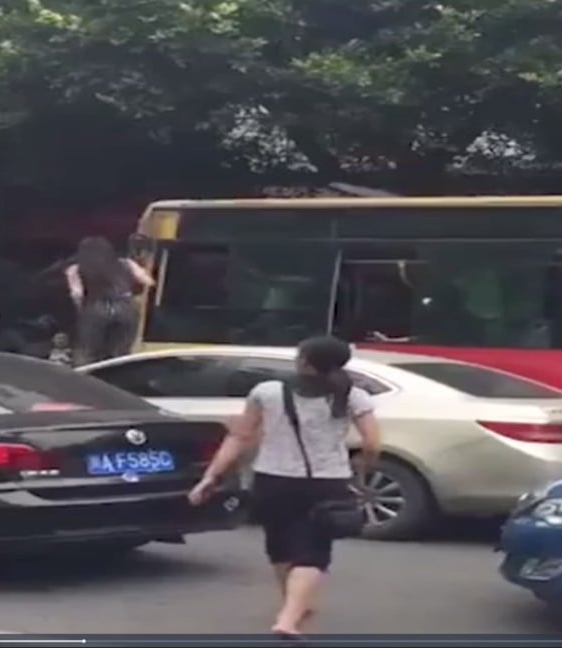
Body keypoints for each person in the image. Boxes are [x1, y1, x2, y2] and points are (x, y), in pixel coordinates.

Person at [188, 336, 382, 638]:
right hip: (327, 482)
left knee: (280, 547)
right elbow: (372, 444)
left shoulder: (267, 392)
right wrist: (362, 468)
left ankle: (291, 607)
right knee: (314, 552)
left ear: (305, 362)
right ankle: (289, 617)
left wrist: (211, 476)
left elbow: (240, 437)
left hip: (272, 480)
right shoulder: (352, 396)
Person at [65, 236, 154, 365]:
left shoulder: (75, 269)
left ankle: (86, 374)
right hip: (126, 305)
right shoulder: (126, 263)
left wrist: (82, 310)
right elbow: (148, 281)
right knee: (121, 352)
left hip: (96, 307)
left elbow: (77, 294)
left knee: (89, 351)